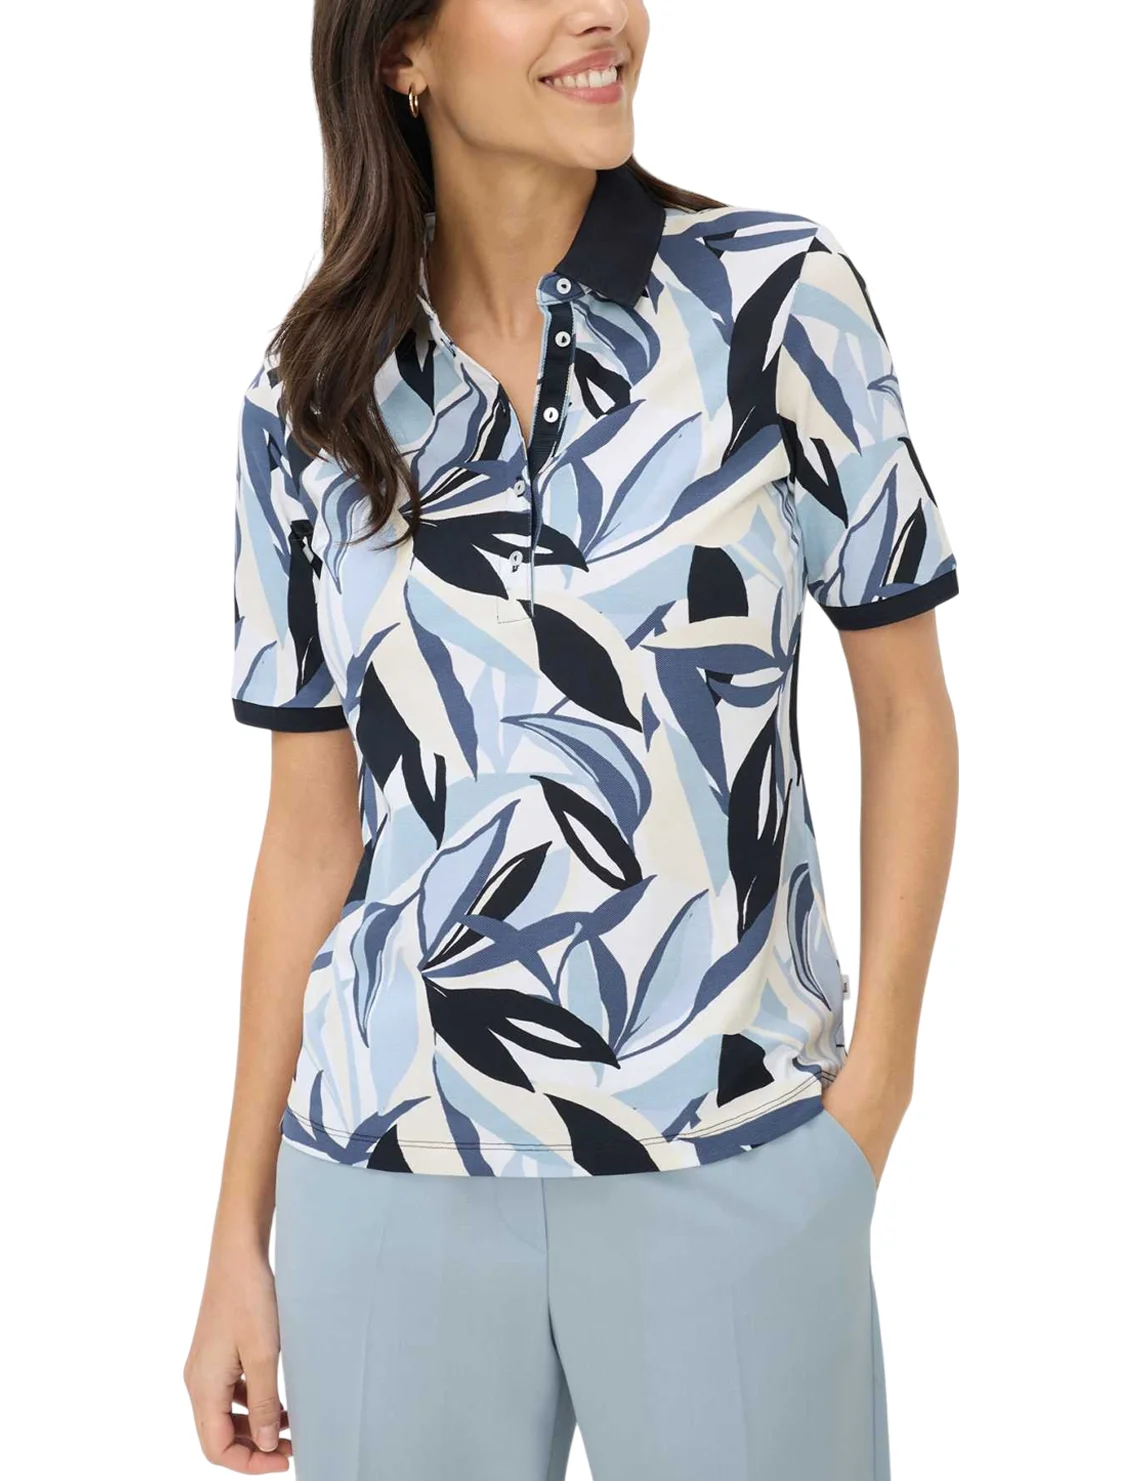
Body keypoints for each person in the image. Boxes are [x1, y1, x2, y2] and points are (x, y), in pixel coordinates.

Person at [183, 1, 960, 1477]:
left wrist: (870, 1104)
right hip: (386, 1178)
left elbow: (908, 714)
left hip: (731, 1160)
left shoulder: (773, 302)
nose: (600, 11)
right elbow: (307, 836)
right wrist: (239, 1229)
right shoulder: (309, 396)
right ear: (400, 53)